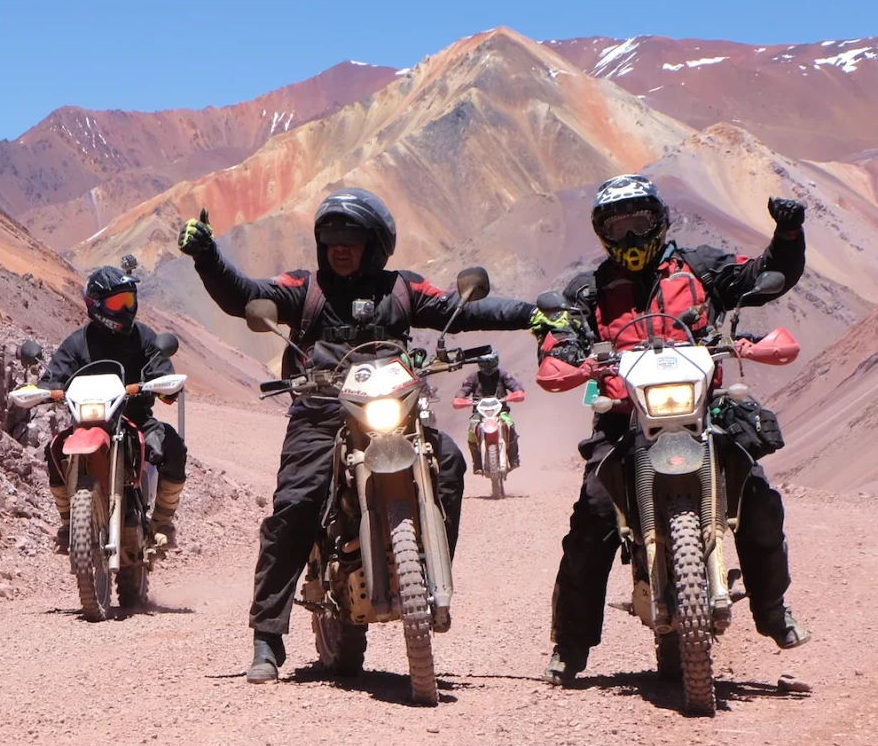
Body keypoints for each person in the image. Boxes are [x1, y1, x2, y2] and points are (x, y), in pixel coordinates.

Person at [178, 188, 547, 682]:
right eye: (330, 237)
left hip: (395, 410)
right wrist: (208, 258)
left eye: (351, 237)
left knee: (453, 465)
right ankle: (267, 638)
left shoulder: (402, 290)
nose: (339, 247)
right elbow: (245, 296)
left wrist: (532, 315)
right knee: (296, 504)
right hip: (323, 412)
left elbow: (465, 310)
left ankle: (434, 581)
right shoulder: (304, 289)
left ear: (376, 243)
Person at [532, 174, 811, 685]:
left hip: (707, 412)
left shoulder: (701, 268)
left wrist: (788, 237)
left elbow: (763, 274)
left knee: (759, 499)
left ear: (658, 221)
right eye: (620, 225)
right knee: (593, 515)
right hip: (624, 421)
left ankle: (772, 611)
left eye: (640, 222)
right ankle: (570, 646)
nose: (632, 235)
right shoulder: (588, 290)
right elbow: (558, 344)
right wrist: (570, 359)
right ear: (603, 232)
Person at [40, 266, 187, 554]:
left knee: (172, 446)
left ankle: (163, 522)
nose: (125, 309)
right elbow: (51, 377)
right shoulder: (76, 343)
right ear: (95, 306)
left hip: (135, 416)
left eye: (129, 301)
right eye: (117, 303)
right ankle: (70, 521)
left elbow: (160, 369)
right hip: (88, 421)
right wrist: (45, 391)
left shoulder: (144, 338)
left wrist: (162, 385)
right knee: (54, 449)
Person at [452, 351, 525, 472]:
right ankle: (477, 464)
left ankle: (514, 459)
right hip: (479, 413)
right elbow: (464, 389)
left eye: (491, 362)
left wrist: (517, 393)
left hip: (500, 411)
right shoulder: (473, 377)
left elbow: (514, 386)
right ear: (479, 364)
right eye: (485, 363)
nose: (488, 366)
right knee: (472, 431)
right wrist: (460, 398)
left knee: (509, 424)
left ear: (496, 361)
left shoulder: (503, 375)